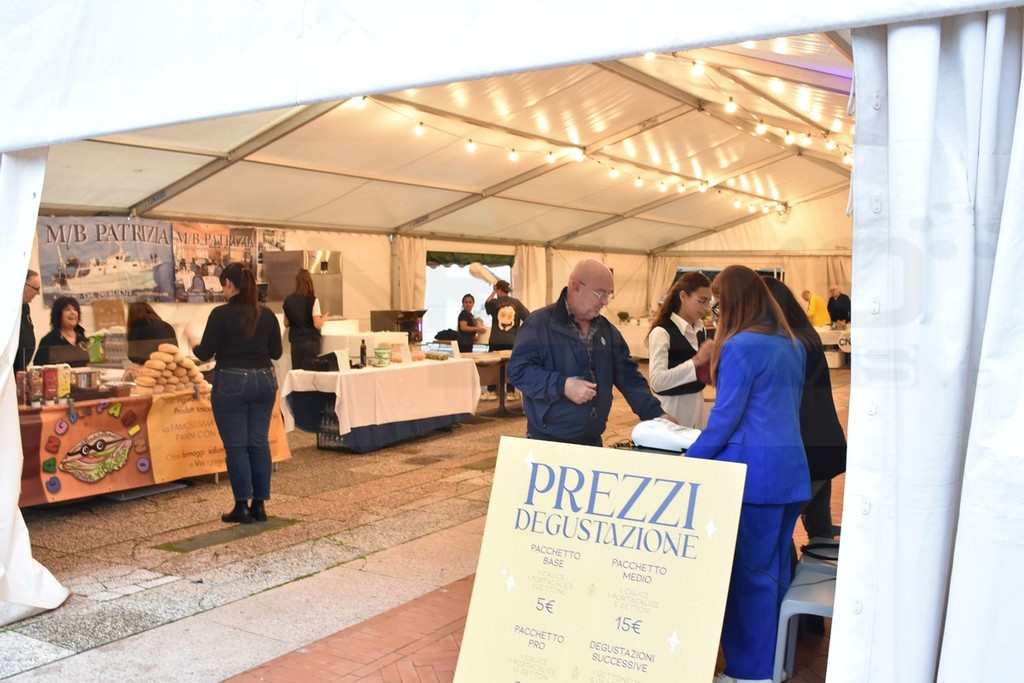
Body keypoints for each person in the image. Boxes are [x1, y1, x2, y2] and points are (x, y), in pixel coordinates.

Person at [684, 265, 809, 683]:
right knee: (775, 574)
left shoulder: (739, 346)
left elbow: (725, 419)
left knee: (749, 580)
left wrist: (689, 461)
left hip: (754, 481)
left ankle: (750, 672)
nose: (715, 313)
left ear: (734, 302)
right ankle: (775, 664)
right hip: (790, 473)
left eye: (718, 305)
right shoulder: (791, 344)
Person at [507, 258, 669, 447]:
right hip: (547, 442)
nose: (605, 302)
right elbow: (518, 371)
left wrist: (657, 416)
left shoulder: (607, 331)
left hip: (592, 441)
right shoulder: (539, 324)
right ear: (576, 287)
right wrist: (562, 386)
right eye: (600, 293)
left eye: (609, 294)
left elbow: (629, 377)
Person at [189, 262, 283, 525]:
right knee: (259, 443)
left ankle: (242, 506)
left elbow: (205, 353)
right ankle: (260, 506)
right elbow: (276, 353)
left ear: (229, 284)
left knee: (237, 446)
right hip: (264, 380)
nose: (223, 291)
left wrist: (192, 341)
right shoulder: (267, 314)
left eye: (223, 286)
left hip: (231, 381)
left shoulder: (220, 314)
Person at [764, 278, 847, 540]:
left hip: (805, 446)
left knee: (777, 530)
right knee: (819, 527)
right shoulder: (805, 335)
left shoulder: (787, 343)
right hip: (822, 440)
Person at [646, 271, 715, 428]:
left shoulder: (701, 329)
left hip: (696, 404)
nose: (706, 308)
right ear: (683, 296)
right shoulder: (662, 332)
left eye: (708, 302)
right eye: (701, 301)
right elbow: (657, 382)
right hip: (672, 409)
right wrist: (695, 362)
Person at [484, 279, 529, 400]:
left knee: (493, 366)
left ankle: (491, 391)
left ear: (498, 290)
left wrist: (493, 293)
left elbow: (487, 304)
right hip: (512, 340)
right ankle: (510, 392)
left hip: (496, 340)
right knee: (511, 366)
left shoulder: (494, 302)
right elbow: (528, 317)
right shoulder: (516, 303)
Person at [282, 268, 327, 370]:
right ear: (309, 283)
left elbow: (286, 323)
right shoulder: (313, 300)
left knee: (297, 373)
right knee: (310, 374)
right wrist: (323, 319)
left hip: (296, 344)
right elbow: (317, 324)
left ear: (296, 283)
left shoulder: (288, 301)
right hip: (311, 343)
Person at [33, 296, 90, 367]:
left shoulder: (84, 339)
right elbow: (39, 367)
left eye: (75, 309)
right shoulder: (48, 341)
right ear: (58, 314)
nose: (73, 312)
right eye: (67, 309)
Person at [16, 269, 42, 371]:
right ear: (22, 284)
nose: (38, 293)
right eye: (36, 288)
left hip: (21, 368)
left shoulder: (25, 307)